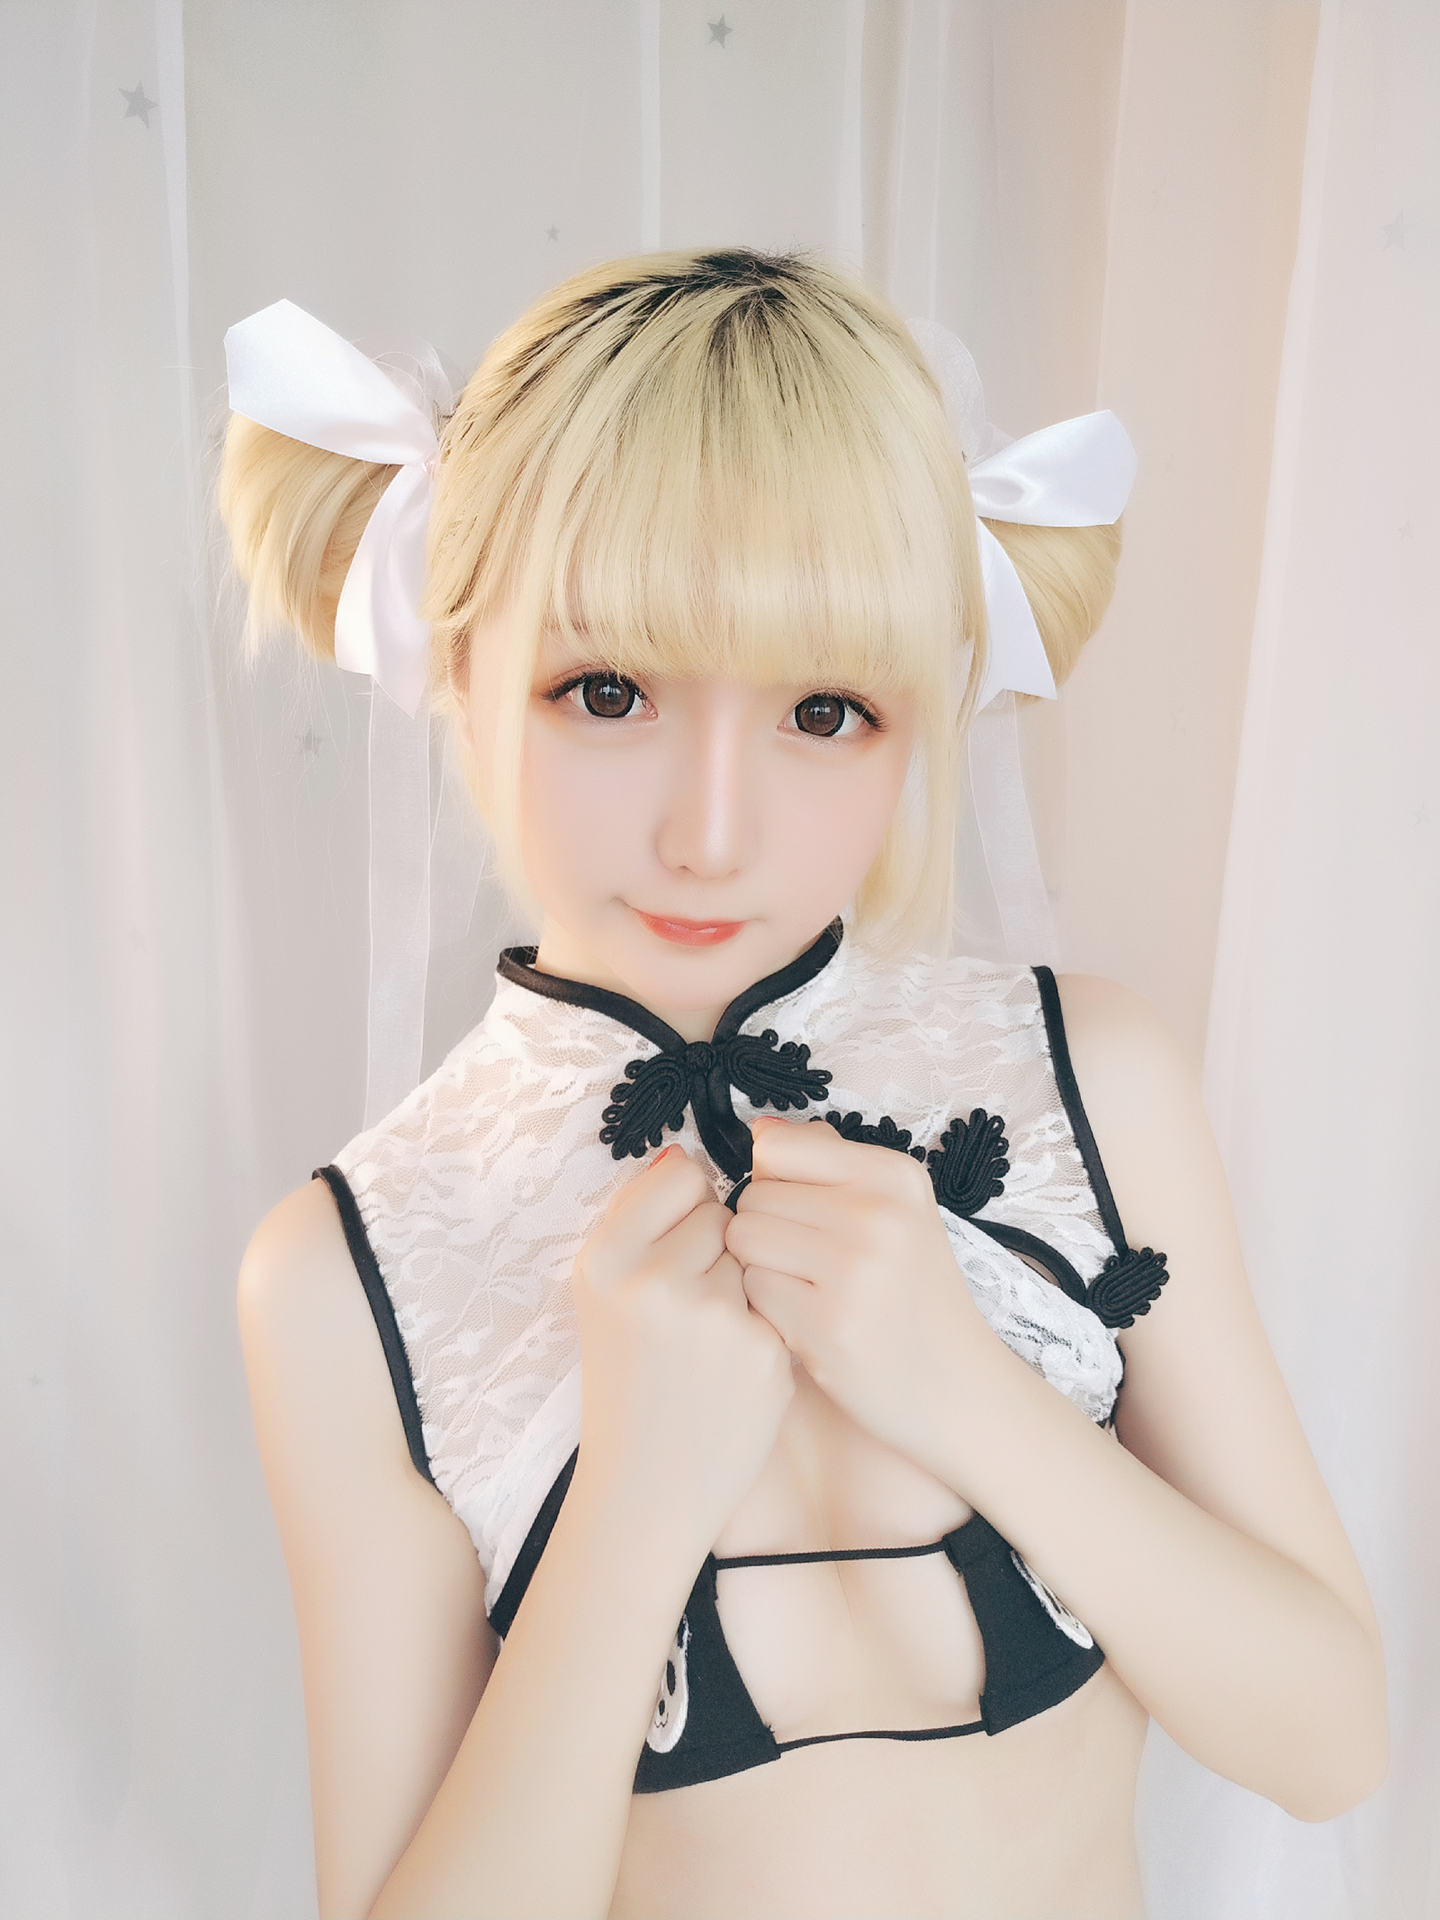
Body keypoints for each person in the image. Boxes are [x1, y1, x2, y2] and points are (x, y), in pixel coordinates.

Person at [222, 247, 1386, 1920]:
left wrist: (966, 1389)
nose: (712, 831)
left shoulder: (1090, 1079)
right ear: (452, 666)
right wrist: (631, 1508)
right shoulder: (352, 1269)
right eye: (607, 692)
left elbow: (1332, 1746)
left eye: (826, 712)